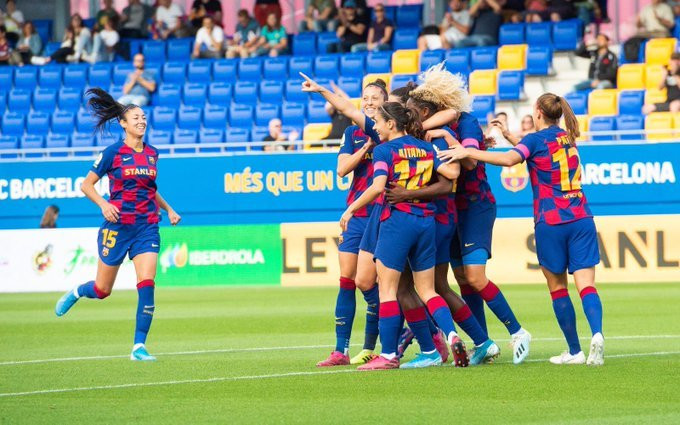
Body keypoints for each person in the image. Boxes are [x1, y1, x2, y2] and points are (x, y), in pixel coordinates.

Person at [439, 93, 604, 366]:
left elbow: (510, 160)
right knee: (587, 286)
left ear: (537, 111)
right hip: (582, 219)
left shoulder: (534, 140)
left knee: (558, 288)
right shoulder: (567, 138)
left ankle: (575, 351)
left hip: (551, 222)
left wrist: (467, 151)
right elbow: (531, 152)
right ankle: (597, 335)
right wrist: (508, 135)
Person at [55, 88, 182, 362]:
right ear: (123, 124)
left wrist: (169, 209)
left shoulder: (152, 153)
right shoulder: (113, 152)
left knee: (147, 282)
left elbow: (150, 188)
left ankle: (139, 347)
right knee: (102, 290)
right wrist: (104, 204)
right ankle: (78, 291)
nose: (142, 120)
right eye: (136, 117)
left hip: (147, 226)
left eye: (144, 116)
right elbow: (86, 185)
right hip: (118, 227)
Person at [388, 69, 501, 366]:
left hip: (430, 217)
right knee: (439, 285)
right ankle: (477, 340)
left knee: (410, 287)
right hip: (438, 218)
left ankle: (434, 344)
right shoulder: (430, 135)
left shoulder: (430, 138)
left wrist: (406, 193)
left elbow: (453, 173)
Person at [421, 63, 531, 365]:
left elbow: (468, 163)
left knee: (474, 276)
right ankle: (482, 342)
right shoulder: (434, 126)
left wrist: (448, 135)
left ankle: (518, 331)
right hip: (453, 211)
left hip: (475, 205)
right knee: (462, 279)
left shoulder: (467, 122)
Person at [338, 101, 462, 370]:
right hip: (426, 221)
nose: (377, 127)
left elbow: (378, 186)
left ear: (391, 124)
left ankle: (389, 355)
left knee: (387, 289)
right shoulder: (426, 147)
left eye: (380, 122)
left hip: (397, 221)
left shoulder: (384, 150)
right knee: (427, 289)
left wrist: (351, 209)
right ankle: (451, 334)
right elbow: (452, 173)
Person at [302, 74, 387, 367]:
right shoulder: (353, 134)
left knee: (370, 282)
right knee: (347, 279)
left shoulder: (389, 131)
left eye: (375, 98)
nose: (369, 103)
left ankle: (377, 343)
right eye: (365, 98)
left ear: (385, 103)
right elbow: (341, 170)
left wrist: (322, 89)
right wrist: (364, 149)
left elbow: (346, 107)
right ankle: (341, 350)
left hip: (381, 213)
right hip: (355, 213)